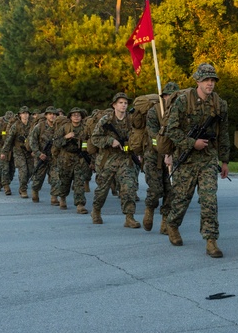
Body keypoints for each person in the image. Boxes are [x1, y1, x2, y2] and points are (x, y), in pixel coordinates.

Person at [161, 64, 230, 257]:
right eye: (206, 80)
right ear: (197, 81)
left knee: (209, 199)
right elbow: (171, 130)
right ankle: (172, 224)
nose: (210, 83)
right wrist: (192, 143)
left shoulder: (219, 104)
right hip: (187, 158)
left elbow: (223, 134)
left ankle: (211, 240)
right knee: (182, 199)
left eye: (213, 80)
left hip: (208, 159)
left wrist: (225, 161)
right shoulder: (183, 101)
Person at [90, 93, 141, 227]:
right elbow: (94, 138)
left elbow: (138, 137)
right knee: (102, 189)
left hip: (126, 159)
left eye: (125, 103)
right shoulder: (106, 120)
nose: (123, 105)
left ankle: (129, 217)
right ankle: (96, 211)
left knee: (128, 187)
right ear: (114, 105)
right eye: (120, 103)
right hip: (108, 159)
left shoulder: (131, 120)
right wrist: (109, 140)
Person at [142, 81, 179, 232]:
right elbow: (153, 136)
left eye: (173, 95)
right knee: (156, 189)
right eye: (167, 95)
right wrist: (165, 152)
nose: (170, 98)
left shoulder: (181, 111)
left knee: (171, 190)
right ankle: (149, 209)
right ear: (163, 96)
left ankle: (165, 221)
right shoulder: (154, 112)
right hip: (154, 156)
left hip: (174, 157)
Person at [52, 107, 90, 213]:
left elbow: (91, 141)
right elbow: (56, 143)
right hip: (65, 158)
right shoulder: (64, 128)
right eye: (74, 115)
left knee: (79, 182)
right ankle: (62, 198)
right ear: (70, 117)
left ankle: (80, 204)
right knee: (65, 181)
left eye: (78, 115)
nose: (76, 117)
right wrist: (66, 137)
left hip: (80, 158)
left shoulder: (86, 128)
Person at [27, 107, 58, 203]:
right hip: (42, 156)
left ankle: (54, 197)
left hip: (54, 157)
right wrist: (38, 153)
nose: (52, 116)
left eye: (54, 114)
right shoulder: (40, 127)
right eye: (50, 114)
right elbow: (32, 141)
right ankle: (35, 192)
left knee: (56, 177)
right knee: (38, 178)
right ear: (46, 116)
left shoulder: (59, 127)